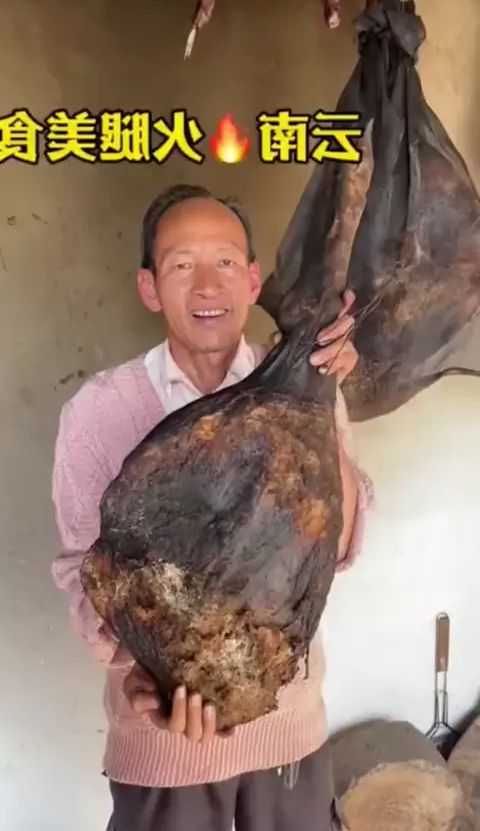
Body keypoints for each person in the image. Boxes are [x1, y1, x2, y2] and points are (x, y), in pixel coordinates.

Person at [51, 183, 374, 831]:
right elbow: (85, 574)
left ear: (252, 281)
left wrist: (318, 393)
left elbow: (337, 547)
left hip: (288, 737)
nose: (207, 284)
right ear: (149, 287)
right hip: (163, 755)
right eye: (181, 264)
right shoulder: (98, 411)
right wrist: (145, 679)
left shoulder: (309, 382)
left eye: (225, 261)